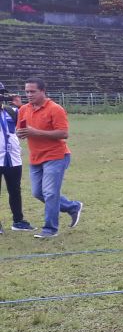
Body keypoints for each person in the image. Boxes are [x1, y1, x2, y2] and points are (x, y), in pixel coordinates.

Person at [15, 78, 82, 239]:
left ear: (43, 91)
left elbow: (63, 133)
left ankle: (50, 229)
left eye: (33, 91)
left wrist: (34, 132)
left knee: (50, 193)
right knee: (38, 193)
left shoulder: (55, 109)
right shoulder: (24, 109)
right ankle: (72, 207)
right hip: (36, 157)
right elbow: (20, 129)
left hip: (56, 156)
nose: (29, 94)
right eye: (27, 92)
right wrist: (20, 133)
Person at [0, 83, 33, 232]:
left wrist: (21, 107)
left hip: (13, 158)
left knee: (15, 190)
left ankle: (18, 221)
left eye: (2, 93)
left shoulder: (12, 111)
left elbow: (27, 121)